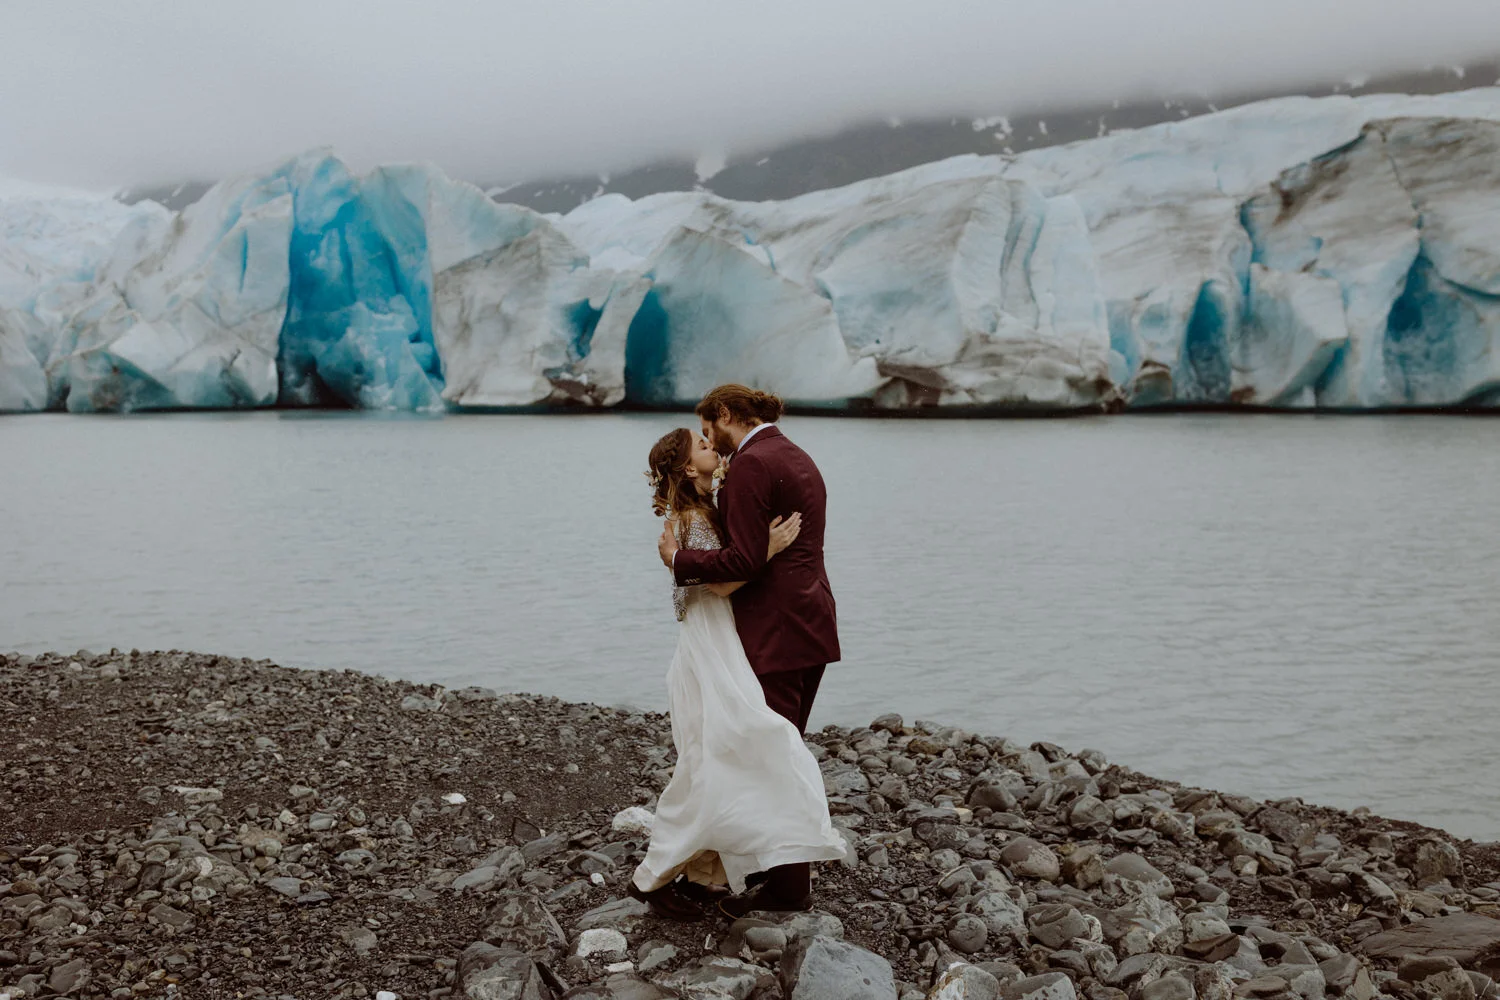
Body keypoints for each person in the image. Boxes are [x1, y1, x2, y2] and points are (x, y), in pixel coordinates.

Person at [630, 423, 845, 922]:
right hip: (712, 646)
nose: (715, 448)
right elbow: (722, 587)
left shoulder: (707, 508)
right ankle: (662, 874)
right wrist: (766, 549)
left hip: (722, 642)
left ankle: (706, 872)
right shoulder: (689, 518)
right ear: (687, 467)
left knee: (726, 756)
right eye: (703, 446)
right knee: (736, 750)